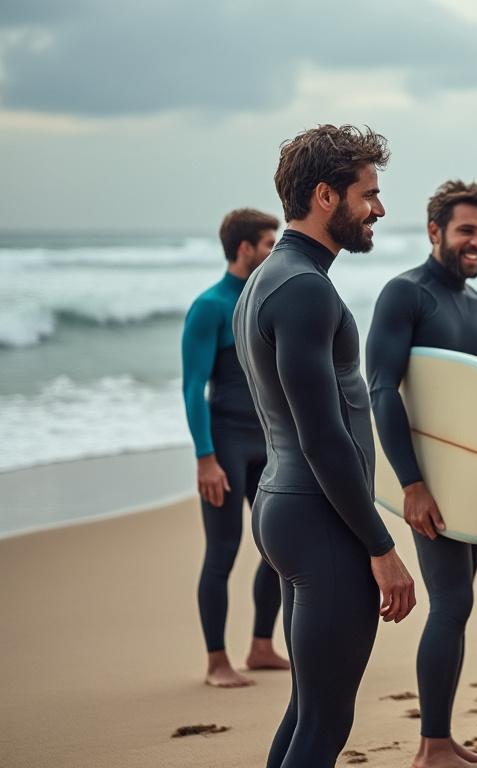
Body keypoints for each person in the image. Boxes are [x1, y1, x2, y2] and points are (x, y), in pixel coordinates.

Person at [234, 124, 416, 768]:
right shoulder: (304, 289)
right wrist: (381, 546)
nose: (380, 209)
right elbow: (323, 438)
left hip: (290, 507)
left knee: (310, 709)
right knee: (327, 717)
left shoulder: (267, 279)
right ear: (325, 196)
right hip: (321, 516)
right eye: (369, 194)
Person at [367, 180, 477, 768]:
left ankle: (442, 738)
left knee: (460, 603)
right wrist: (411, 484)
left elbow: (476, 401)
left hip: (471, 481)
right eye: (467, 230)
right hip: (428, 481)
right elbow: (381, 390)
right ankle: (432, 748)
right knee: (450, 602)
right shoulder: (405, 295)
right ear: (434, 232)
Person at [181, 207, 287, 688]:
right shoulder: (210, 306)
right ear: (245, 248)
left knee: (277, 546)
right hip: (225, 444)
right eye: (268, 243)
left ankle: (262, 646)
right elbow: (193, 386)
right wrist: (205, 458)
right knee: (222, 551)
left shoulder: (267, 300)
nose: (274, 251)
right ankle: (217, 662)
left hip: (268, 441)